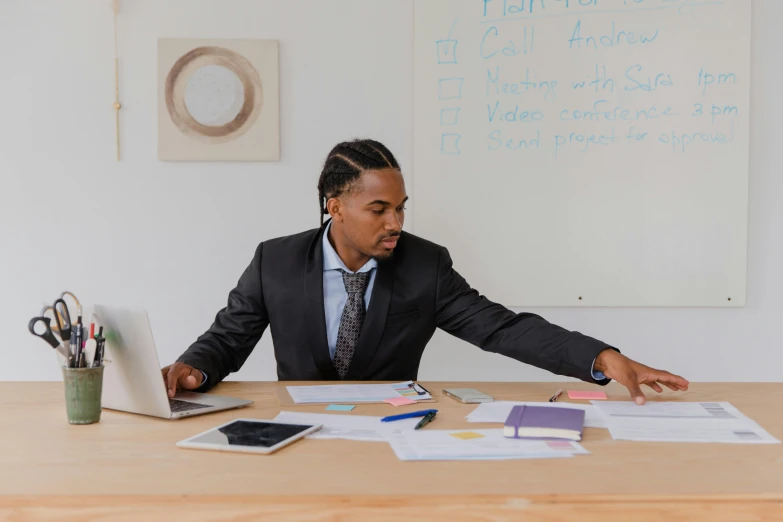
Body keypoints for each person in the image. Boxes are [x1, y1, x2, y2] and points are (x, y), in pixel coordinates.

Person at [163, 139, 688, 405]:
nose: (396, 223)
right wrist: (194, 368)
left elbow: (501, 328)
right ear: (334, 206)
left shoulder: (424, 265)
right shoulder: (274, 261)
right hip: (299, 430)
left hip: (395, 431)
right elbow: (227, 339)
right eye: (379, 210)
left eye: (401, 207)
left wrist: (600, 357)